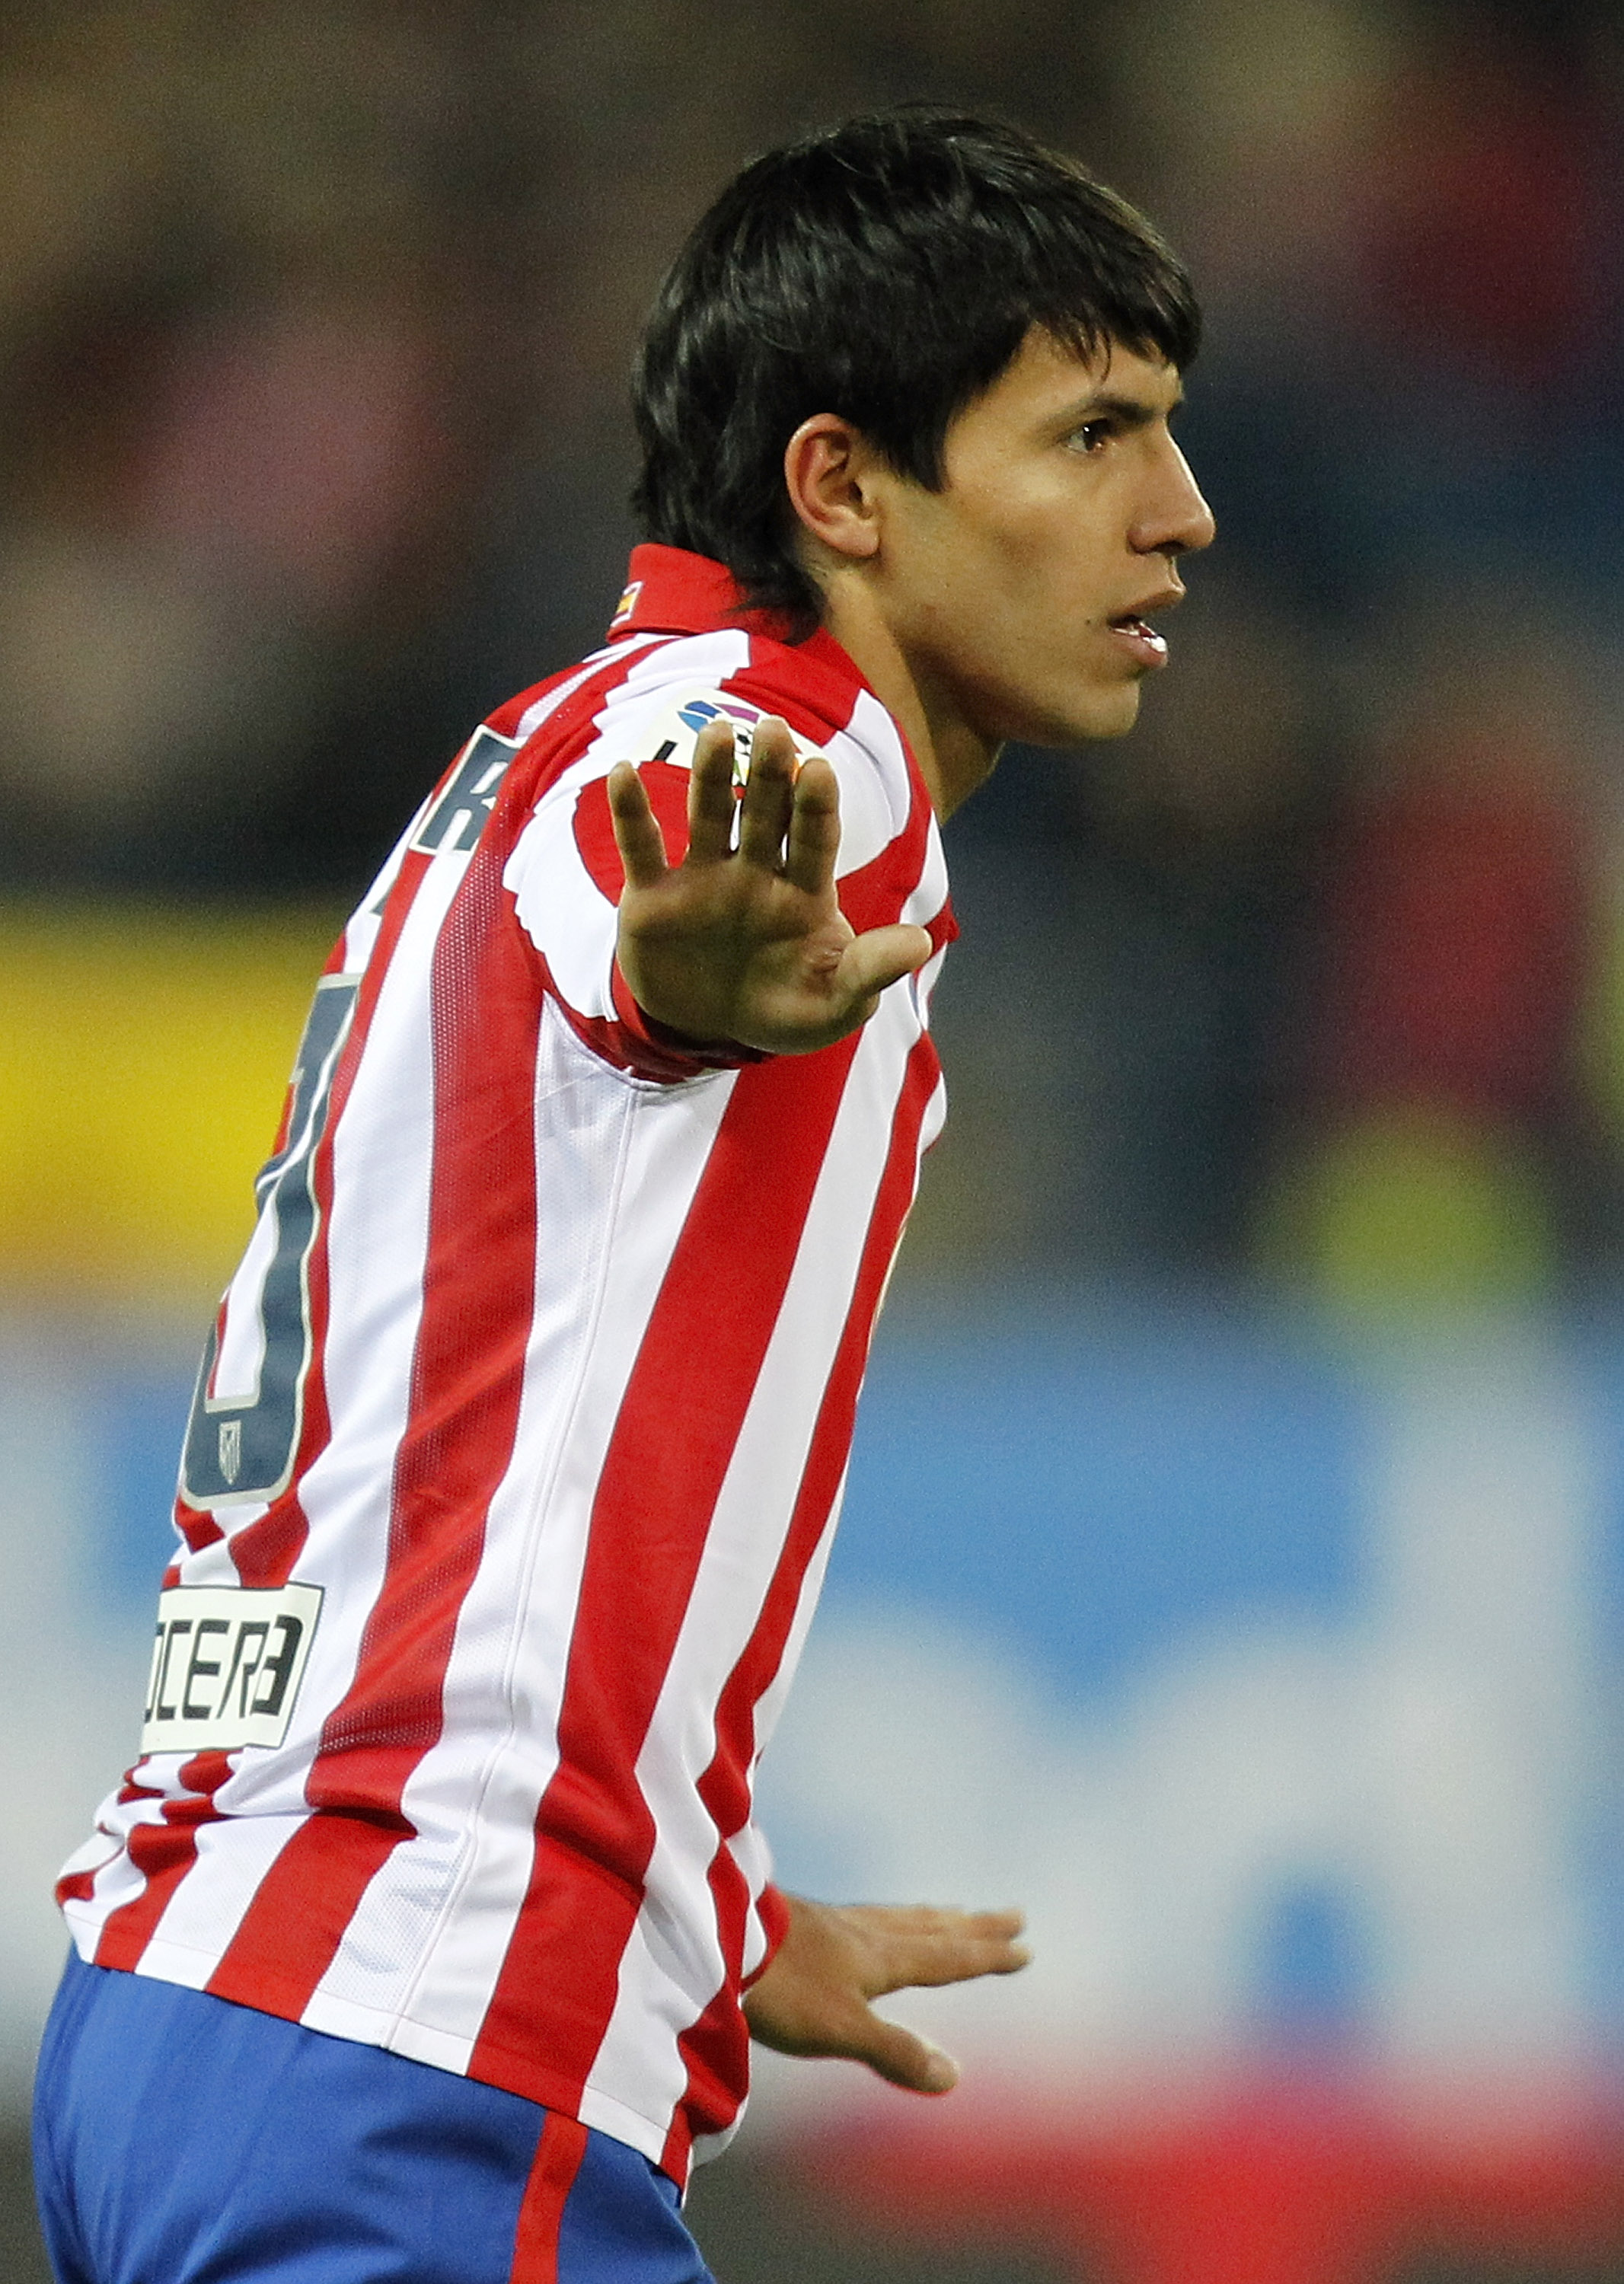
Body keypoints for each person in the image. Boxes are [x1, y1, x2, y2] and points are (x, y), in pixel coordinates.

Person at [33, 106, 1213, 2283]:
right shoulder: (787, 754)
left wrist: (690, 1891)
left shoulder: (535, 734)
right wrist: (689, 985)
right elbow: (649, 923)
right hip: (423, 2056)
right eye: (1094, 435)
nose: (1181, 513)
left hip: (212, 2000)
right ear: (845, 486)